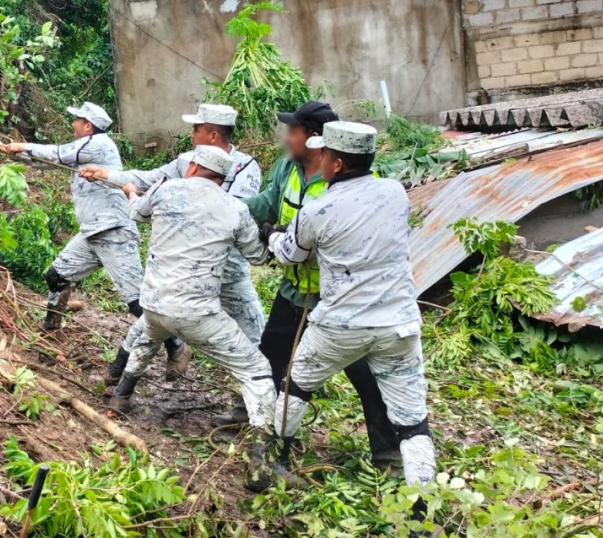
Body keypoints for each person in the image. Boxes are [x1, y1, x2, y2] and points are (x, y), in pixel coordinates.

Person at [262, 121, 436, 495]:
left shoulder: (318, 209)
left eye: (323, 154)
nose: (319, 159)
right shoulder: (395, 192)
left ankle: (274, 459)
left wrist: (271, 235)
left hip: (340, 325)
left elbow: (291, 255)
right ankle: (423, 510)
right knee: (413, 423)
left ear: (335, 164)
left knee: (296, 385)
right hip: (399, 324)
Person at [107, 145, 290, 491]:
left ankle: (120, 398)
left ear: (192, 167)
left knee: (148, 336)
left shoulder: (164, 189)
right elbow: (257, 256)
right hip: (198, 313)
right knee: (257, 371)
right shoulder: (234, 208)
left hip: (156, 303)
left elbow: (136, 212)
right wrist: (270, 232)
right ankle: (260, 464)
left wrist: (130, 190)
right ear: (224, 178)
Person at [238, 101, 402, 466]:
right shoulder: (286, 169)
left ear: (316, 141)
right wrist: (230, 209)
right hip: (294, 289)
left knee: (363, 374)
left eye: (292, 131)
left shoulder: (356, 187)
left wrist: (284, 239)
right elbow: (266, 202)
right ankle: (252, 414)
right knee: (271, 357)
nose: (285, 138)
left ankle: (387, 448)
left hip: (336, 299)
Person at [80, 103, 264, 382]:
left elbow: (234, 215)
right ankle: (118, 377)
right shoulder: (188, 160)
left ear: (213, 135)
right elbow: (148, 179)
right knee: (154, 320)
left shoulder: (247, 169)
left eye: (197, 129)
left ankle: (259, 395)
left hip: (228, 268)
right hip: (185, 268)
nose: (191, 134)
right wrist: (106, 175)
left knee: (254, 330)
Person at [0, 102, 151, 336]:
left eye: (77, 120)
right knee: (57, 275)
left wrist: (21, 145)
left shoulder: (98, 143)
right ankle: (51, 329)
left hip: (114, 231)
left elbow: (57, 153)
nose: (73, 124)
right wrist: (4, 149)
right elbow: (45, 162)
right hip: (93, 232)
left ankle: (175, 346)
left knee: (136, 302)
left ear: (88, 126)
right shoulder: (85, 148)